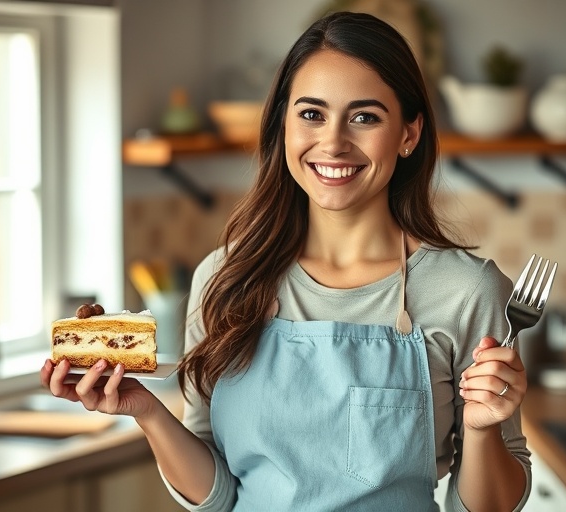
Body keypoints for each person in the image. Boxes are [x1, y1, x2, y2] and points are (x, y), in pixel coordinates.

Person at [41, 11, 531, 511]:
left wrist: (482, 430)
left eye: (365, 117)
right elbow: (218, 497)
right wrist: (145, 410)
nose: (334, 142)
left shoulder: (468, 292)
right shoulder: (224, 279)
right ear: (283, 125)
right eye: (312, 114)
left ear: (409, 134)